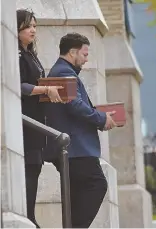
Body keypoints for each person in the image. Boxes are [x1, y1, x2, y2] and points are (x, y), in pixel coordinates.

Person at [44, 33, 116, 227]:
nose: (86, 59)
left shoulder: (63, 71)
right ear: (73, 52)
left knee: (76, 197)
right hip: (76, 149)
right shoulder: (63, 73)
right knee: (97, 184)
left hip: (73, 148)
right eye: (84, 54)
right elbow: (74, 105)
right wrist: (101, 118)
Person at [17, 9, 63, 228]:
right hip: (25, 123)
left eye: (34, 25)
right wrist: (43, 90)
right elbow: (20, 86)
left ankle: (31, 216)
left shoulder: (31, 54)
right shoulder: (16, 55)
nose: (33, 30)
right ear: (16, 29)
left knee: (34, 168)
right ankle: (28, 218)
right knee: (29, 168)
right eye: (28, 26)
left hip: (37, 123)